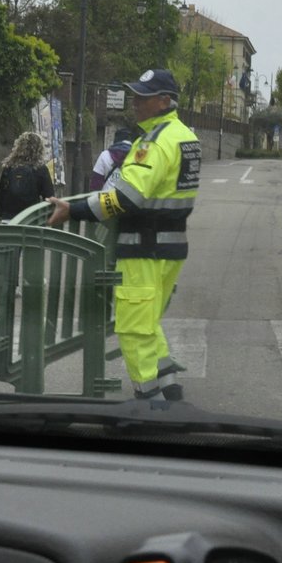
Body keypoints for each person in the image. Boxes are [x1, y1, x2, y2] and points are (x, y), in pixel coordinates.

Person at [47, 68, 201, 402]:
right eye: (135, 95)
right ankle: (170, 389)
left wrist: (73, 210)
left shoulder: (155, 142)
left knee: (133, 328)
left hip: (144, 247)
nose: (135, 102)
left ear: (164, 101)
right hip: (170, 247)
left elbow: (124, 198)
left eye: (143, 97)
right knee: (148, 323)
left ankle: (149, 403)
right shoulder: (184, 136)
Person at [0, 130, 56, 302]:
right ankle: (31, 283)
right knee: (32, 253)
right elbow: (49, 196)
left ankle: (10, 285)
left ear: (18, 146)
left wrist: (0, 210)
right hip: (33, 220)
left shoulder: (8, 167)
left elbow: (1, 192)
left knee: (10, 254)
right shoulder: (41, 169)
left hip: (10, 218)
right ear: (39, 149)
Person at [88, 126, 136, 191]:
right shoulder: (137, 157)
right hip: (128, 199)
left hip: (106, 198)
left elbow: (96, 183)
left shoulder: (105, 155)